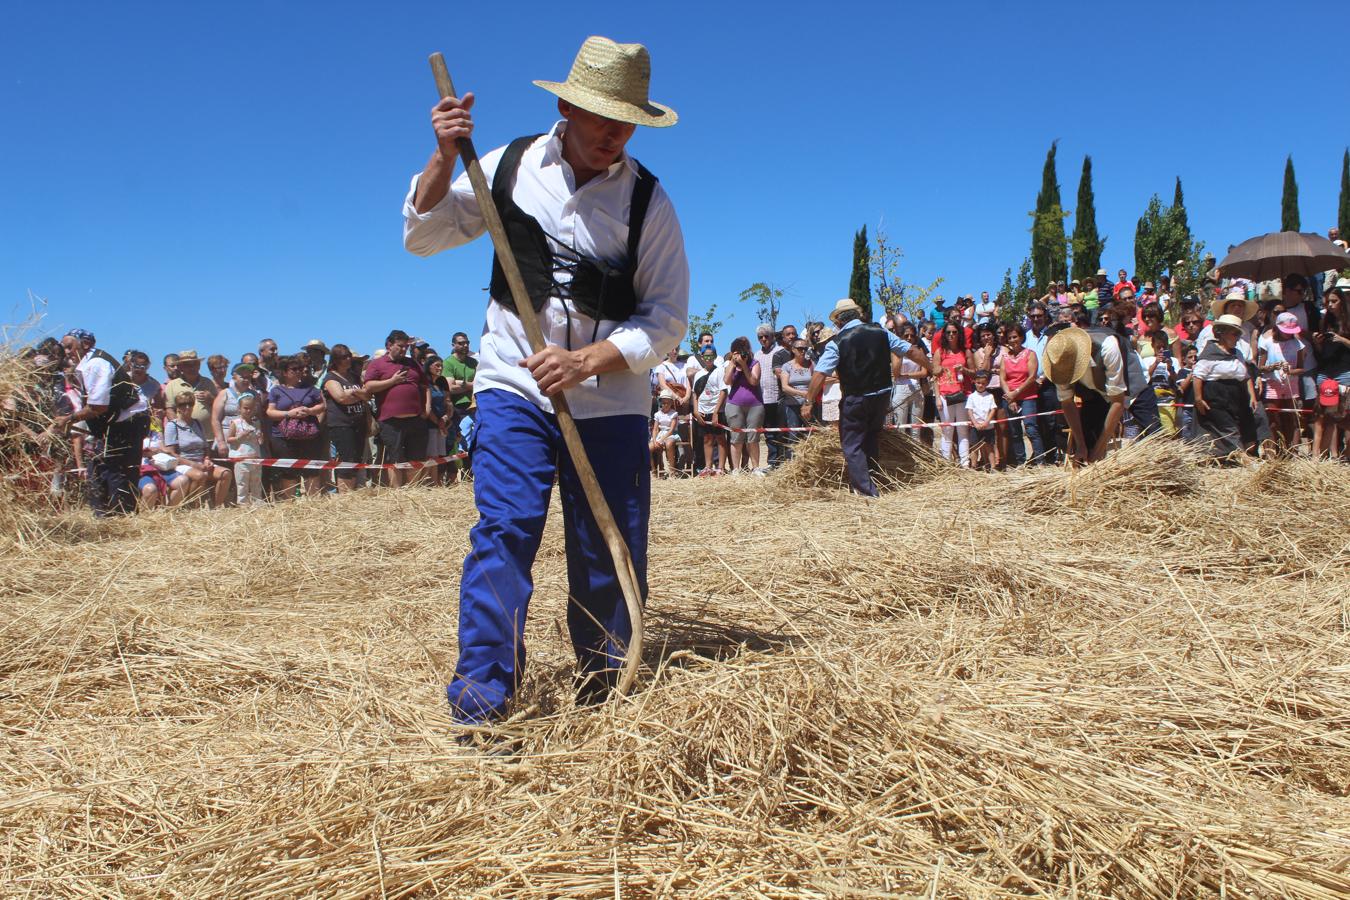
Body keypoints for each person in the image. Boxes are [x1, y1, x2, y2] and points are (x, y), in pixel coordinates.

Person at [403, 35, 689, 722]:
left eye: (627, 121)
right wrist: (444, 156)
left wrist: (587, 361)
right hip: (514, 386)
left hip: (611, 402)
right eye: (602, 117)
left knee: (606, 544)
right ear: (567, 105)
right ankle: (482, 702)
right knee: (504, 530)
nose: (615, 133)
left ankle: (604, 693)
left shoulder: (648, 204)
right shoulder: (507, 166)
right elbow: (425, 233)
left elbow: (667, 320)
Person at [803, 299, 931, 496]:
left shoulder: (837, 342)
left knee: (852, 445)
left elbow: (820, 373)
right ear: (857, 315)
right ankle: (873, 478)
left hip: (856, 398)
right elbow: (911, 350)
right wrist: (933, 367)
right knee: (871, 437)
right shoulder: (881, 331)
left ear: (838, 321)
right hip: (881, 396)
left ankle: (866, 492)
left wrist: (809, 401)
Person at [1045, 297, 1158, 463]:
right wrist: (1082, 445)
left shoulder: (1107, 346)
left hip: (1133, 385)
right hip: (1095, 392)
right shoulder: (1059, 360)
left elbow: (1118, 401)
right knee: (1085, 450)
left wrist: (1100, 448)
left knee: (1155, 435)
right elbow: (1067, 403)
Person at [55, 329, 151, 516]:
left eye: (69, 346)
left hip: (127, 424)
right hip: (116, 424)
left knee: (118, 472)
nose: (66, 352)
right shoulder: (86, 365)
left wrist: (69, 419)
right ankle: (102, 515)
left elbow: (98, 407)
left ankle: (121, 518)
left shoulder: (95, 364)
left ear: (85, 345)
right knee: (100, 469)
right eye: (63, 348)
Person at [363, 330, 430, 487]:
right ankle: (397, 493)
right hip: (391, 421)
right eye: (400, 346)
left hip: (415, 419)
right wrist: (392, 381)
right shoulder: (377, 364)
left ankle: (413, 490)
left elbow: (425, 385)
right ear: (389, 345)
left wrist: (427, 408)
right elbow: (369, 386)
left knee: (416, 458)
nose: (403, 350)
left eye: (406, 346)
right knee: (395, 459)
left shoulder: (413, 364)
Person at [1193, 315, 1260, 462]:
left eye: (1238, 334)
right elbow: (1198, 376)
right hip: (1216, 395)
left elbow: (1246, 376)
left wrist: (1252, 397)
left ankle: (1248, 456)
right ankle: (1245, 461)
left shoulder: (1238, 354)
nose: (1237, 338)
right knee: (1229, 429)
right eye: (1234, 333)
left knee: (1248, 429)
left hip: (1238, 395)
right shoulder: (1210, 354)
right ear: (1222, 333)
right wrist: (1198, 399)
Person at [266, 354, 326, 498]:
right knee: (288, 472)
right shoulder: (276, 391)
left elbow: (322, 405)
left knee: (311, 470)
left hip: (309, 435)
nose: (299, 371)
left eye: (300, 368)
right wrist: (289, 413)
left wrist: (310, 411)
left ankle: (314, 503)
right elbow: (270, 412)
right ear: (285, 372)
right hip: (283, 437)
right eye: (294, 369)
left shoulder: (311, 389)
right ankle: (289, 504)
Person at [165, 389, 233, 505]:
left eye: (190, 404)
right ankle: (192, 507)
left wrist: (207, 459)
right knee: (200, 476)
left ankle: (217, 507)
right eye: (183, 404)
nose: (187, 407)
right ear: (177, 407)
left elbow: (205, 446)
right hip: (183, 463)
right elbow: (171, 454)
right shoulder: (172, 426)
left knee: (226, 473)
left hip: (201, 462)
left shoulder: (197, 423)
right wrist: (194, 465)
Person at [1256, 312, 1308, 454]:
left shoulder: (1298, 344)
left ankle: (1290, 451)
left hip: (1291, 385)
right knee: (1272, 419)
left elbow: (1301, 368)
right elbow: (1260, 367)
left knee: (1290, 417)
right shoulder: (1268, 343)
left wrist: (1290, 371)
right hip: (1273, 384)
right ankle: (1272, 451)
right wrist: (1272, 367)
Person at [321, 344, 371, 493]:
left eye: (349, 356)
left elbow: (368, 395)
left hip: (358, 422)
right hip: (341, 424)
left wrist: (353, 393)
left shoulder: (354, 376)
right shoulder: (330, 377)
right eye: (344, 357)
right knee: (347, 460)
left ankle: (353, 493)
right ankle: (345, 495)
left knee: (356, 459)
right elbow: (341, 397)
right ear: (335, 359)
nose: (348, 359)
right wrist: (357, 393)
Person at [932, 320, 973, 466]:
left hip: (962, 393)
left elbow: (974, 373)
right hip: (945, 394)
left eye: (954, 332)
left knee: (963, 430)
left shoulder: (965, 351)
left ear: (959, 333)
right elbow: (935, 375)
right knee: (947, 431)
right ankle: (946, 464)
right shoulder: (940, 352)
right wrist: (937, 397)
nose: (951, 335)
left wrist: (964, 370)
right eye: (948, 332)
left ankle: (965, 464)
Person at [722, 335, 765, 473]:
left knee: (753, 438)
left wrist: (745, 365)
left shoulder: (755, 363)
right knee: (736, 438)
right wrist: (733, 363)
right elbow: (727, 381)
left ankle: (756, 467)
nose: (740, 353)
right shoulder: (731, 364)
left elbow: (753, 381)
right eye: (737, 351)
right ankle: (736, 469)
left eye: (743, 350)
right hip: (734, 404)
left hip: (755, 405)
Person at [998, 324, 1039, 467]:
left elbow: (1032, 377)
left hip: (1027, 396)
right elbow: (1002, 378)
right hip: (1010, 397)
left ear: (1021, 337)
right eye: (1009, 338)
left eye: (1015, 337)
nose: (1012, 340)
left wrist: (1016, 393)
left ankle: (1040, 461)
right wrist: (1009, 396)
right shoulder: (1005, 357)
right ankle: (1021, 462)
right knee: (1015, 431)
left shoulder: (1030, 354)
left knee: (1031, 428)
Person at [691, 344, 728, 475]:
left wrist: (716, 412)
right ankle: (708, 466)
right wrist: (695, 411)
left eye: (711, 355)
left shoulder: (720, 371)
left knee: (720, 438)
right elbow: (695, 394)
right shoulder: (698, 374)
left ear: (715, 356)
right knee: (707, 438)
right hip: (702, 411)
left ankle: (721, 468)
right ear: (701, 357)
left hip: (716, 411)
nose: (708, 358)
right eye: (706, 356)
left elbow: (723, 391)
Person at [162, 350, 217, 434]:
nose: (192, 368)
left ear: (199, 365)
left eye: (194, 364)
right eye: (187, 365)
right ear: (180, 367)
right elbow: (170, 410)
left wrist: (211, 399)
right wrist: (181, 428)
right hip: (184, 438)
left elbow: (218, 408)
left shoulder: (208, 382)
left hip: (208, 436)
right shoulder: (172, 385)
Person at [211, 362, 258, 460]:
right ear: (234, 377)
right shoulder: (224, 394)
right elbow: (215, 419)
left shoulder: (255, 395)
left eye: (248, 377)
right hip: (228, 438)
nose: (245, 380)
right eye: (242, 376)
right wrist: (221, 442)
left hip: (249, 442)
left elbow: (259, 418)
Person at [226, 392, 265, 506]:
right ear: (239, 408)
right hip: (241, 459)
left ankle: (257, 502)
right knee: (242, 483)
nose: (248, 411)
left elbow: (260, 442)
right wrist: (239, 437)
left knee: (256, 483)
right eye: (245, 408)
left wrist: (260, 437)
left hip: (255, 458)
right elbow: (229, 439)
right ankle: (243, 504)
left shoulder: (256, 423)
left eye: (251, 408)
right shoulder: (235, 423)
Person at [887, 322, 926, 429]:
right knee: (901, 428)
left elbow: (924, 373)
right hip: (901, 389)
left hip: (917, 388)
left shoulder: (920, 350)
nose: (909, 338)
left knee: (916, 428)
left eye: (912, 335)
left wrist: (907, 375)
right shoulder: (895, 351)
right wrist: (902, 351)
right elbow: (896, 373)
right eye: (906, 335)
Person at [778, 336, 813, 442]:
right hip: (792, 405)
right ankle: (792, 458)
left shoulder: (811, 364)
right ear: (793, 349)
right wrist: (803, 393)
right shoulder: (786, 366)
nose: (803, 351)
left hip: (809, 404)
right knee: (794, 436)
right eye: (800, 348)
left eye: (805, 348)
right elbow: (784, 387)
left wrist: (809, 398)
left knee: (811, 434)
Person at [966, 370, 997, 470]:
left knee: (989, 447)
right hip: (975, 427)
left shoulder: (990, 396)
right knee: (974, 447)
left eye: (983, 383)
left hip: (988, 427)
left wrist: (987, 422)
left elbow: (993, 410)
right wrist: (975, 423)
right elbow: (970, 411)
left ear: (987, 384)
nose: (980, 385)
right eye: (978, 383)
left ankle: (992, 467)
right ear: (974, 382)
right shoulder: (971, 397)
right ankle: (974, 466)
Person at [649, 390, 679, 476]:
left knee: (669, 443)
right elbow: (655, 429)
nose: (665, 405)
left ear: (671, 403)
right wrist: (655, 440)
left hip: (670, 434)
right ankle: (654, 470)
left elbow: (671, 430)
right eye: (664, 402)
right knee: (649, 447)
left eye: (668, 403)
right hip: (660, 434)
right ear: (661, 402)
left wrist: (661, 440)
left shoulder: (674, 414)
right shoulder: (658, 414)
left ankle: (672, 470)